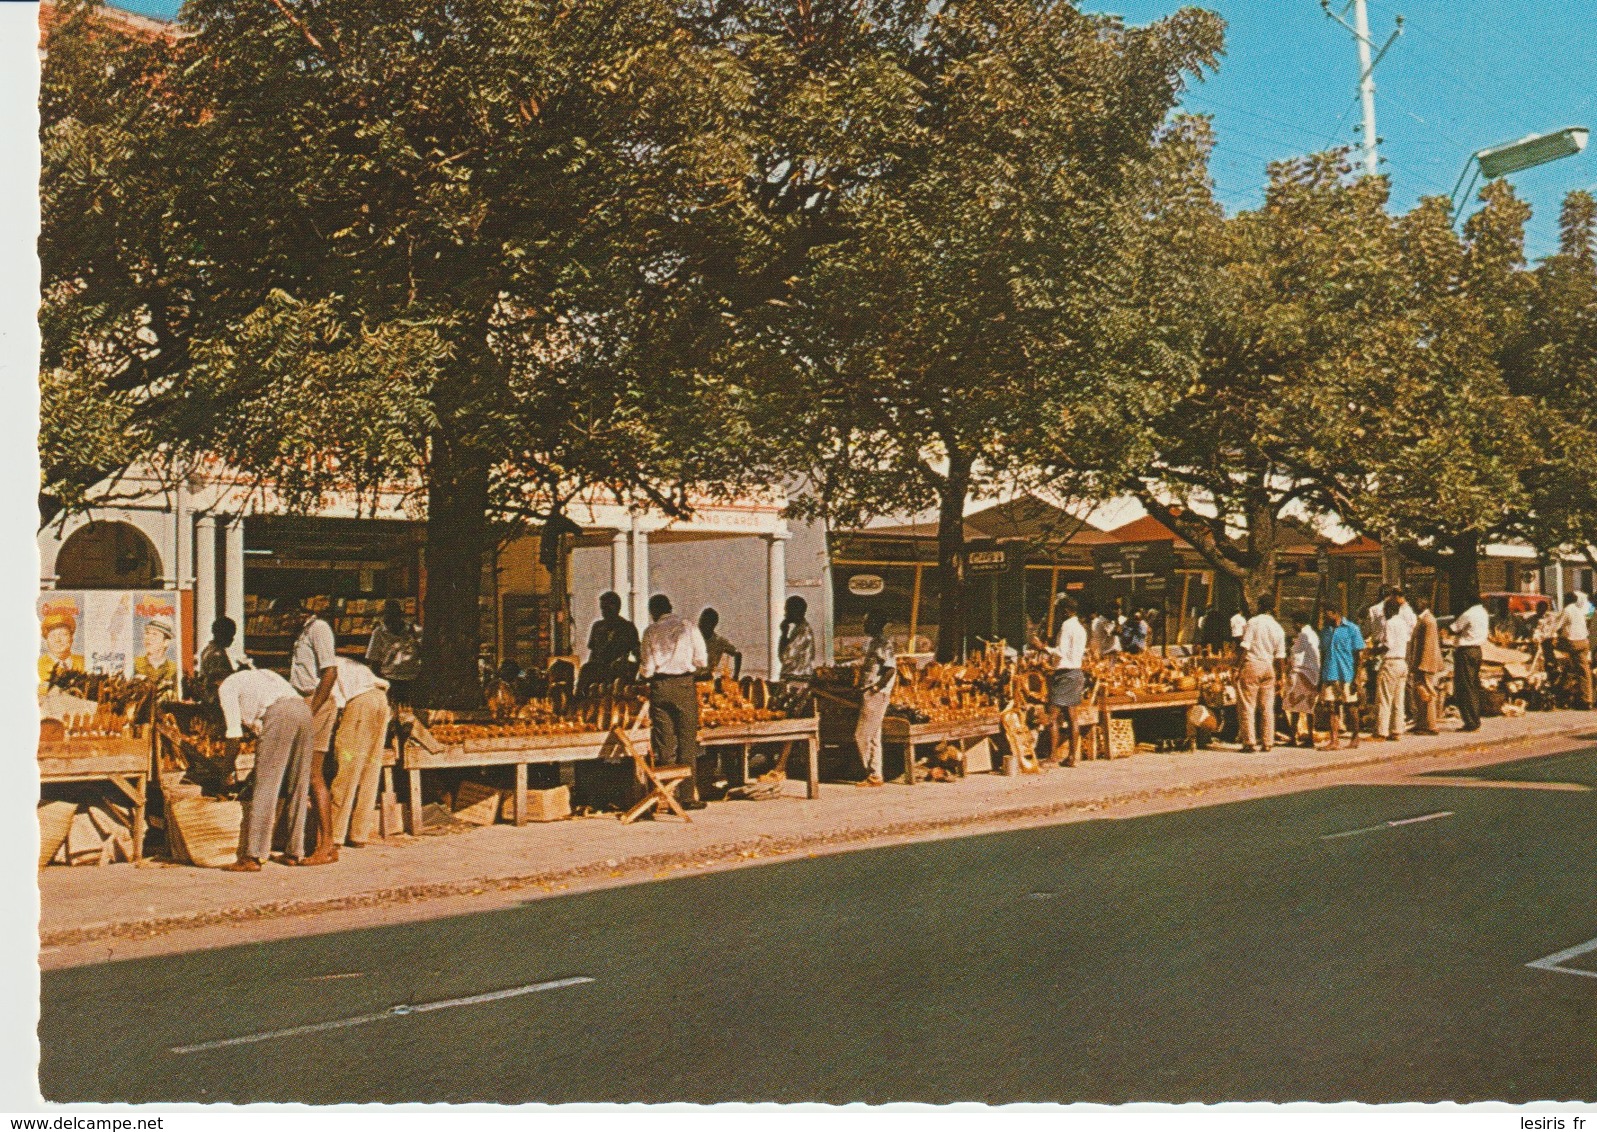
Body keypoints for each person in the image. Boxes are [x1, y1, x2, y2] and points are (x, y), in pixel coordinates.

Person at [217, 665, 315, 871]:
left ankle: (253, 856)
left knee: (265, 787)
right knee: (298, 784)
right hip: (303, 710)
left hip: (279, 714)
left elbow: (234, 736)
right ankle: (295, 851)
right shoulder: (262, 674)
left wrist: (226, 771)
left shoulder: (226, 687)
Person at [283, 596, 340, 865]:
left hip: (316, 701)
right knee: (303, 774)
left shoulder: (319, 629)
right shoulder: (302, 633)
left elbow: (330, 672)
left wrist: (312, 709)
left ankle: (327, 844)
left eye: (286, 616)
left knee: (313, 774)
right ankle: (309, 841)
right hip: (303, 700)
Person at [639, 594, 709, 810]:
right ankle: (687, 796)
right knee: (687, 741)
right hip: (684, 686)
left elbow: (647, 667)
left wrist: (646, 674)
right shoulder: (687, 626)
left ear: (653, 612)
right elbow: (702, 660)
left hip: (660, 688)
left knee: (665, 742)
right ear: (670, 607)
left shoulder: (650, 631)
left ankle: (666, 795)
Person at [327, 656, 390, 849]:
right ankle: (359, 834)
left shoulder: (328, 667)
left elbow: (333, 704)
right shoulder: (344, 662)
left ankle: (335, 834)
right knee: (369, 768)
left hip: (361, 703)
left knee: (347, 770)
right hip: (380, 700)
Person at [1032, 594, 1087, 767]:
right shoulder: (1081, 628)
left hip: (1064, 674)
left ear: (1065, 611)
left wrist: (1042, 647)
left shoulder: (1066, 626)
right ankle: (1072, 757)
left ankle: (1053, 756)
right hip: (1077, 672)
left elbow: (1061, 652)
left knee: (1052, 717)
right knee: (1072, 717)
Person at [1235, 594, 1286, 753]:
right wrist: (1281, 674)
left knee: (1248, 705)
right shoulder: (1278, 627)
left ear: (1260, 606)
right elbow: (1280, 656)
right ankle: (1267, 742)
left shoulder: (1254, 622)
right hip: (1269, 666)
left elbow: (1245, 646)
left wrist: (1237, 667)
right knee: (1267, 707)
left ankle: (1249, 742)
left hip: (1253, 664)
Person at [853, 611, 897, 787]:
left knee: (862, 735)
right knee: (874, 736)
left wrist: (876, 688)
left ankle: (871, 771)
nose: (864, 627)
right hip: (869, 692)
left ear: (875, 624)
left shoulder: (883, 645)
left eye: (867, 623)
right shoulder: (874, 643)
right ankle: (875, 774)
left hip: (876, 694)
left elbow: (890, 669)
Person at [1319, 608, 1365, 750]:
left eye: (1326, 614)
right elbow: (1323, 653)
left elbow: (1359, 656)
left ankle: (1355, 736)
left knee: (1351, 707)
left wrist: (1357, 678)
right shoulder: (1325, 632)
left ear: (1335, 612)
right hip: (1330, 674)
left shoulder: (1352, 629)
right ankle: (1334, 740)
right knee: (1331, 707)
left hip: (1347, 674)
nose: (1324, 617)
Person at [581, 591, 640, 693]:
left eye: (607, 608)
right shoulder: (597, 627)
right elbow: (593, 653)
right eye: (602, 608)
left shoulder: (627, 627)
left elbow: (637, 653)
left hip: (618, 670)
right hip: (599, 668)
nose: (604, 612)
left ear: (617, 608)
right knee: (586, 669)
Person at [366, 600, 420, 706]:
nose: (390, 624)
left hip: (411, 679)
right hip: (390, 680)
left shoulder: (414, 631)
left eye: (393, 618)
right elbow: (374, 661)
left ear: (400, 616)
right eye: (387, 620)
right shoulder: (378, 633)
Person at [1374, 594, 1414, 741]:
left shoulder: (1389, 623)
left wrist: (1372, 652)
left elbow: (1387, 645)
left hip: (1390, 662)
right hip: (1402, 662)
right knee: (1399, 699)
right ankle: (1397, 730)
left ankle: (1381, 731)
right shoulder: (1403, 623)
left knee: (1384, 698)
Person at [1449, 593, 1489, 733]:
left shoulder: (1469, 613)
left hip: (1466, 651)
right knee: (1472, 685)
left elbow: (1453, 628)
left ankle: (1471, 721)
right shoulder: (1483, 612)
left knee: (1465, 686)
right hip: (1477, 650)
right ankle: (1474, 718)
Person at [1408, 594, 1445, 735]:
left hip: (1425, 663)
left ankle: (1430, 725)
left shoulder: (1428, 621)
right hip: (1421, 662)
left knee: (1427, 693)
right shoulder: (1424, 619)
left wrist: (1423, 665)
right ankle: (1421, 722)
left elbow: (1429, 645)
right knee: (1419, 694)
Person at [1283, 614, 1321, 747]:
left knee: (1294, 706)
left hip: (1301, 673)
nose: (1293, 627)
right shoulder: (1313, 635)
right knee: (1308, 707)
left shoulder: (1303, 636)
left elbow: (1296, 656)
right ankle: (1309, 736)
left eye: (1294, 624)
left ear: (1299, 623)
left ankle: (1293, 736)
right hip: (1312, 674)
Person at [1556, 591, 1592, 710]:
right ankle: (1587, 699)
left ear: (1566, 600)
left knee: (1553, 649)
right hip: (1584, 642)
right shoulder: (1579, 610)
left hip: (1572, 643)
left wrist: (1548, 635)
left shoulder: (1567, 610)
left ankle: (1560, 688)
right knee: (1584, 671)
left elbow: (1557, 625)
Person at [196, 617, 239, 703]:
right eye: (230, 636)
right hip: (216, 700)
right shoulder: (217, 654)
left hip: (208, 698)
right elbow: (222, 680)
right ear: (223, 635)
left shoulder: (208, 649)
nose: (232, 639)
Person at [38, 609, 84, 690]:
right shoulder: (38, 667)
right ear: (46, 640)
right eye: (52, 636)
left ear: (71, 638)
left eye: (63, 634)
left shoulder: (84, 663)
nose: (58, 640)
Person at [133, 616, 178, 690]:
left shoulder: (174, 669)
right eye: (147, 633)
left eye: (154, 634)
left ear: (166, 642)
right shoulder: (135, 663)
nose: (148, 637)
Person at [697, 607, 743, 680]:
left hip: (707, 681)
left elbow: (738, 654)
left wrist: (735, 676)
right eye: (700, 620)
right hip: (690, 681)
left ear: (712, 625)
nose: (700, 624)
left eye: (704, 622)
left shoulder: (719, 642)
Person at [778, 596, 816, 682]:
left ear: (795, 611)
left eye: (787, 610)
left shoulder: (802, 631)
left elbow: (785, 657)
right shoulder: (801, 629)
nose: (785, 614)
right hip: (797, 678)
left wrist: (784, 634)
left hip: (796, 680)